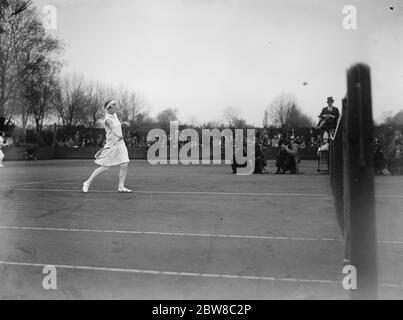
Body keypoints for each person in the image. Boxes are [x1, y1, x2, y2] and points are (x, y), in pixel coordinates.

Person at [82, 100, 132, 193]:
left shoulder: (115, 116)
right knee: (105, 167)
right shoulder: (107, 120)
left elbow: (117, 125)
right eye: (113, 105)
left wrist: (124, 123)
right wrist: (118, 135)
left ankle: (121, 186)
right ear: (109, 108)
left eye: (115, 105)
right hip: (111, 146)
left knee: (124, 164)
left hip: (121, 145)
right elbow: (113, 128)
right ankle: (87, 182)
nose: (116, 107)